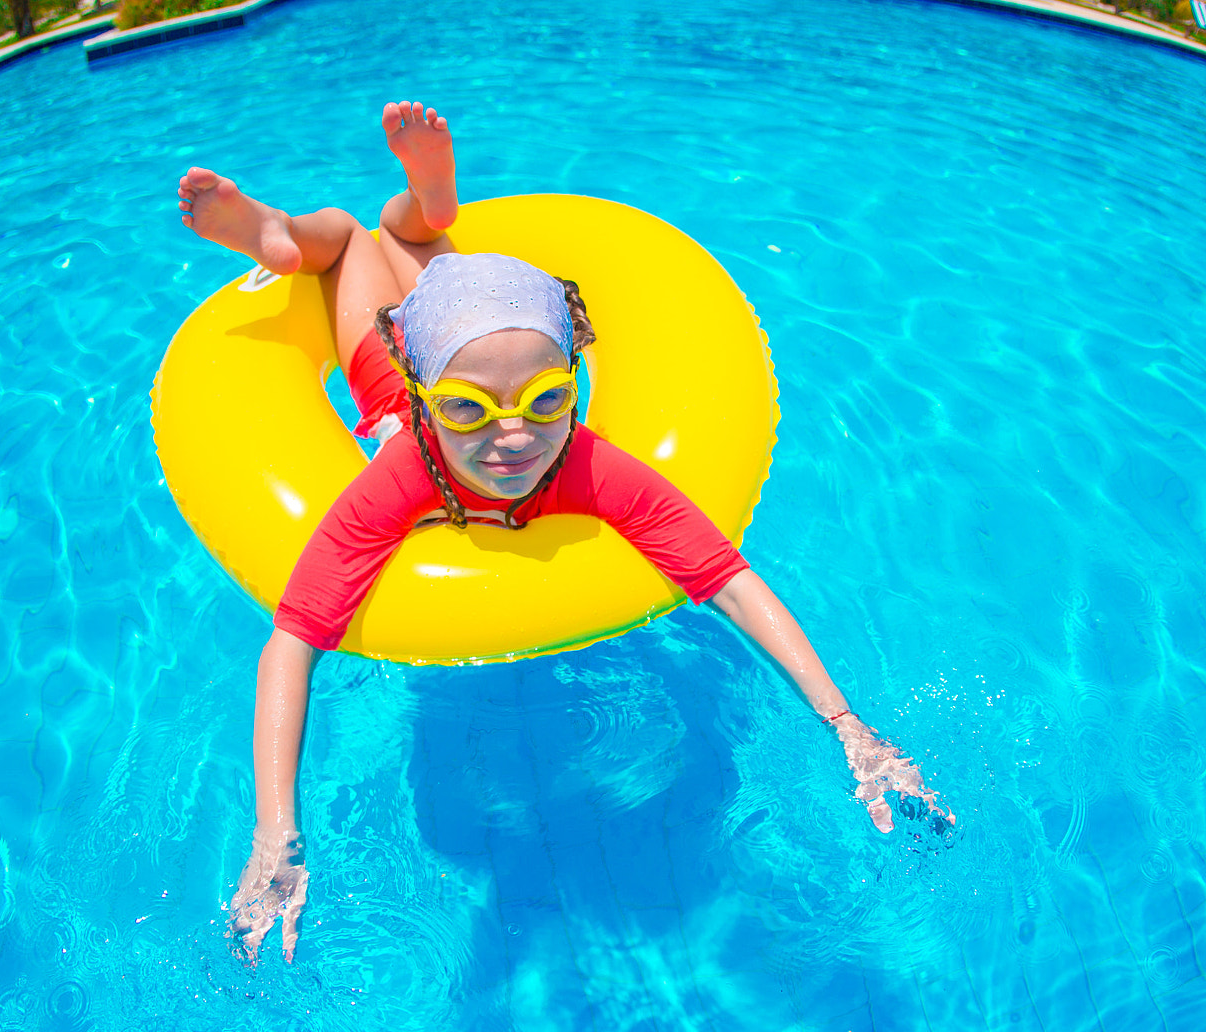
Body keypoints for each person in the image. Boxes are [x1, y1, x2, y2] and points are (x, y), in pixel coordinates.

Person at [177, 100, 951, 965]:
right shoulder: (402, 472)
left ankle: (423, 209)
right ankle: (300, 233)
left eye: (545, 401)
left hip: (456, 344)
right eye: (472, 412)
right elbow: (293, 638)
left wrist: (850, 727)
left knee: (418, 251)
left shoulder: (583, 461)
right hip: (382, 366)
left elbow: (729, 577)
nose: (513, 438)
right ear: (431, 400)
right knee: (354, 243)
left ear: (574, 385)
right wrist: (275, 832)